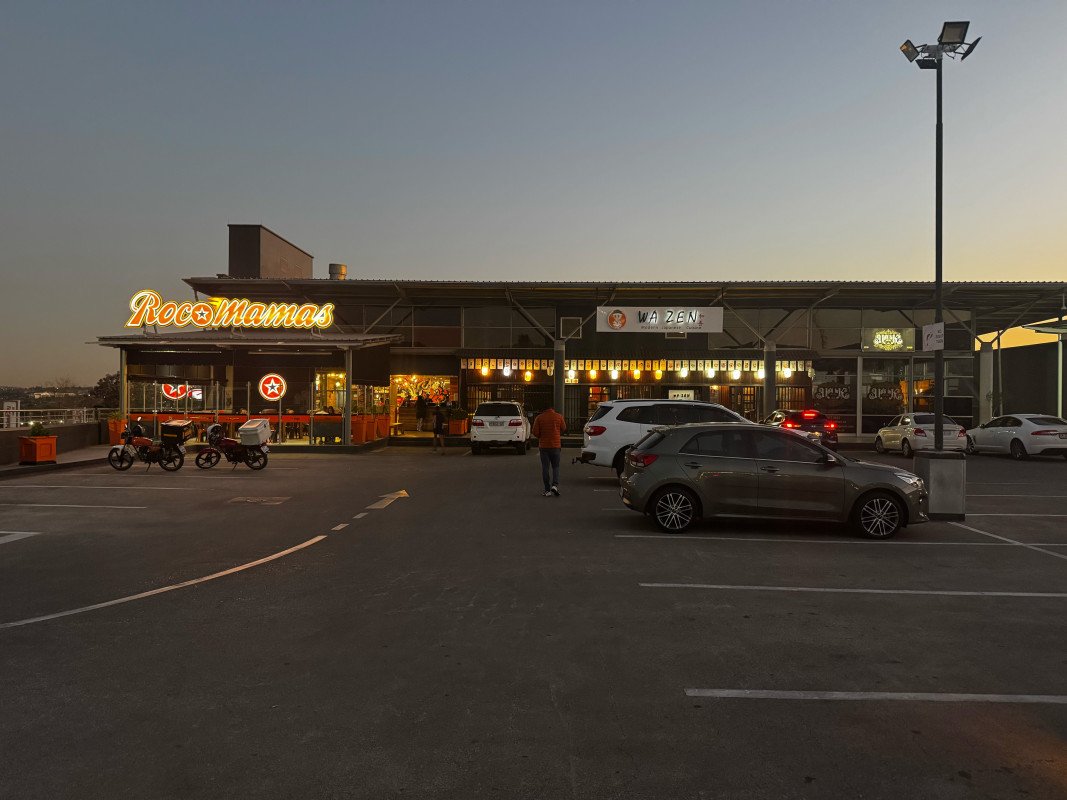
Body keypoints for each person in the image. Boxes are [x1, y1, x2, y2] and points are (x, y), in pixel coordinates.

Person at [531, 405, 567, 496]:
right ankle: (555, 485)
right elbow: (564, 428)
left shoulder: (539, 418)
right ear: (552, 409)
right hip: (556, 446)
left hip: (544, 446)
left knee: (545, 467)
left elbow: (535, 432)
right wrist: (557, 433)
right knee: (556, 467)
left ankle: (547, 490)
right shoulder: (559, 416)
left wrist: (541, 436)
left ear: (543, 409)